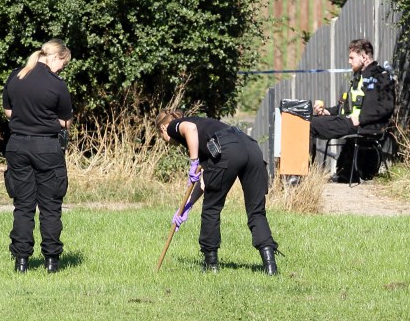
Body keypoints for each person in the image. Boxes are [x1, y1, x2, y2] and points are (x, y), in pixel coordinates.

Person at [155, 110, 280, 275]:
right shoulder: (205, 134)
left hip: (228, 149)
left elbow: (190, 128)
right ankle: (270, 266)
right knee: (256, 210)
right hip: (251, 148)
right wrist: (187, 206)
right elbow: (203, 181)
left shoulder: (173, 126)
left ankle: (211, 266)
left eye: (161, 136)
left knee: (211, 208)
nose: (165, 142)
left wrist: (193, 163)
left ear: (163, 128)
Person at [2, 39, 73, 274]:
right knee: (50, 206)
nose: (62, 69)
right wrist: (48, 120)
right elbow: (65, 122)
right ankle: (52, 261)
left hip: (17, 146)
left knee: (23, 206)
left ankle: (21, 261)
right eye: (63, 64)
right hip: (47, 149)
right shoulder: (57, 84)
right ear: (55, 57)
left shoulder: (16, 76)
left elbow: (9, 112)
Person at [310, 38, 395, 182]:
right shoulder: (359, 76)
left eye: (351, 57)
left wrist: (361, 119)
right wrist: (327, 111)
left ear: (364, 56)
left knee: (309, 124)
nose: (349, 61)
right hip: (350, 122)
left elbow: (387, 107)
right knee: (308, 119)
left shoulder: (380, 76)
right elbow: (348, 106)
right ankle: (337, 172)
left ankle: (302, 175)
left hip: (363, 125)